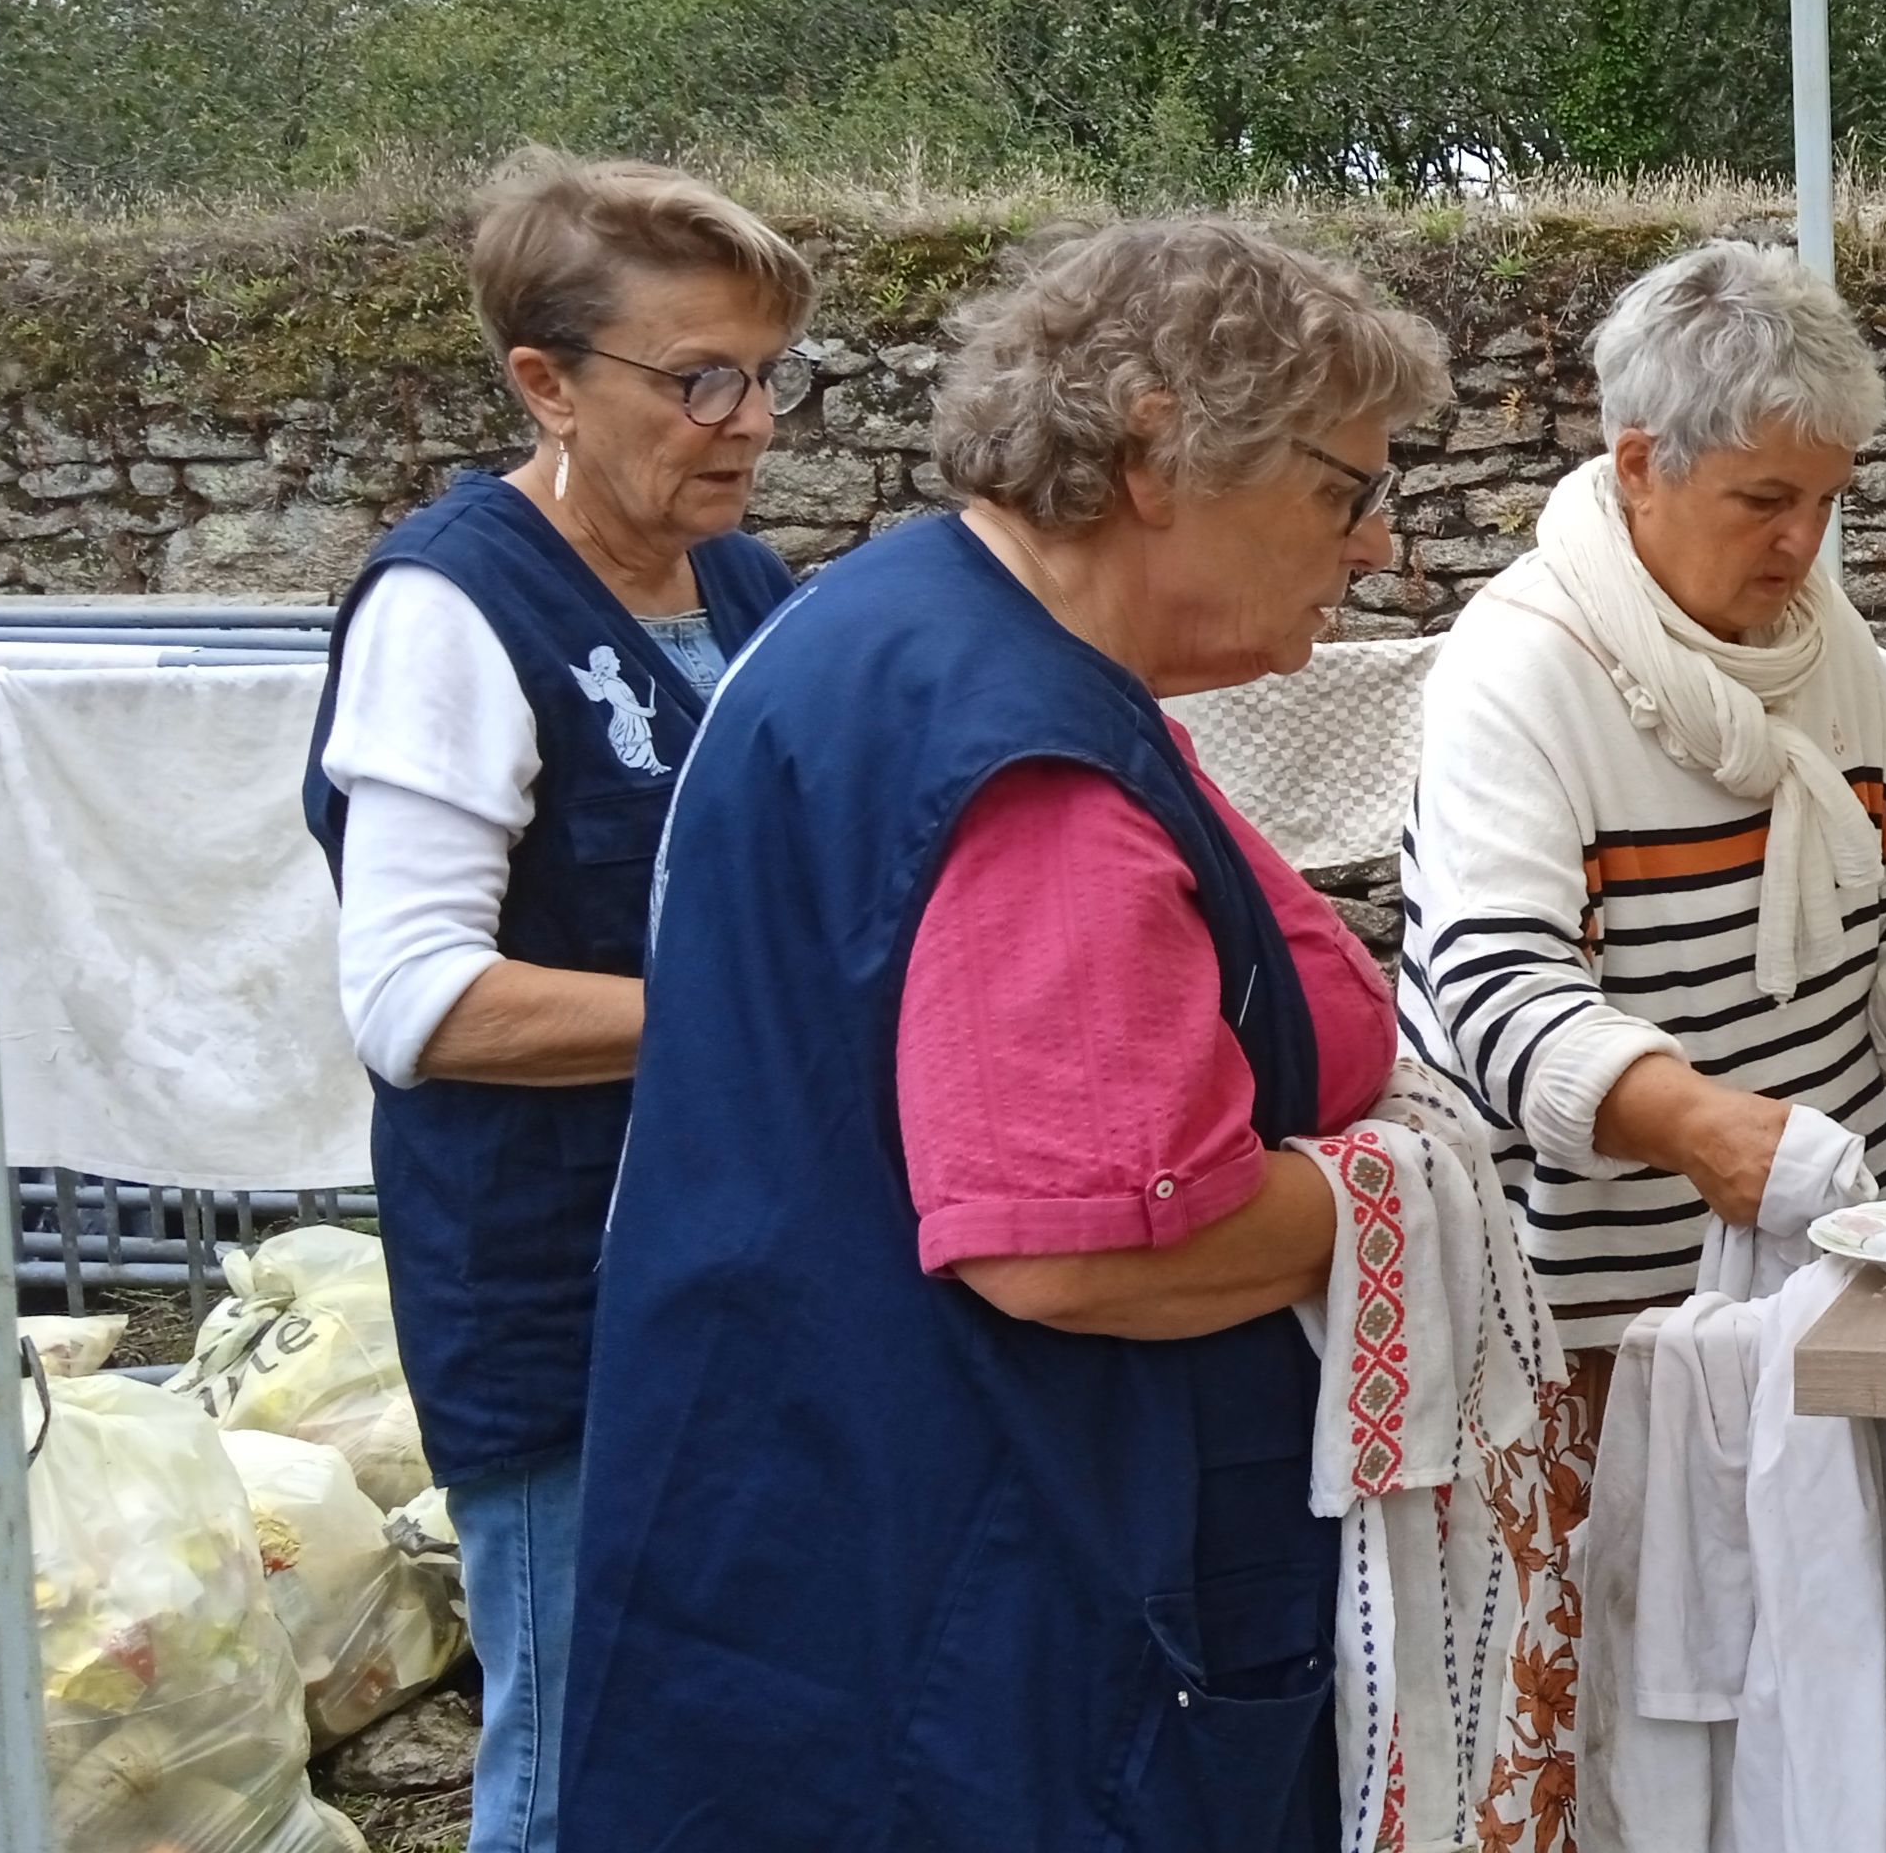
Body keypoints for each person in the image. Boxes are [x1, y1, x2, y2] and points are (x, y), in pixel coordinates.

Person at [557, 220, 1451, 1851]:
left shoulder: (912, 627)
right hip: (992, 1638)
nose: (1376, 546)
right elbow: (1083, 1247)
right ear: (1164, 449)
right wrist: (1395, 1193)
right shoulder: (1018, 751)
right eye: (1346, 489)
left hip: (844, 1545)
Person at [297, 149, 813, 1853]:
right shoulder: (453, 605)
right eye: (696, 381)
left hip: (737, 1267)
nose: (745, 422)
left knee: (739, 1717)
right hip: (562, 1300)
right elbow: (417, 1000)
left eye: (765, 375)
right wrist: (757, 1010)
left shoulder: (740, 585)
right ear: (546, 383)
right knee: (585, 1748)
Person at [1399, 239, 1886, 1351]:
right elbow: (1500, 998)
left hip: (1832, 1254)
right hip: (1598, 1319)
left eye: (1826, 499)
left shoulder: (1832, 649)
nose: (1801, 542)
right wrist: (1694, 1127)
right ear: (1639, 465)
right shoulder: (1519, 674)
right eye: (1763, 499)